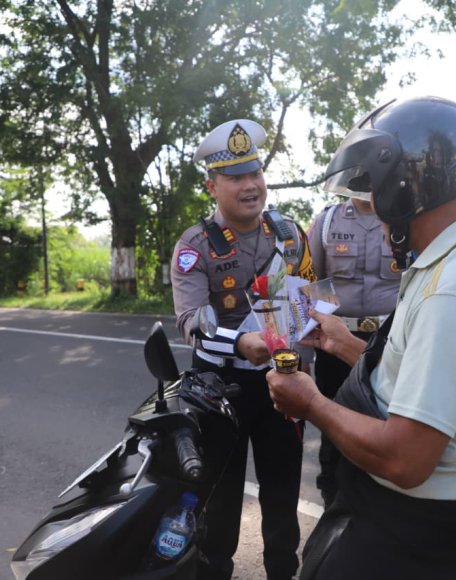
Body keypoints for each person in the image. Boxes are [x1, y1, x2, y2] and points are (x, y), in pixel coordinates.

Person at [266, 96, 456, 579]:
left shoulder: (455, 290)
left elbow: (406, 460)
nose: (374, 208)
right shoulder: (450, 259)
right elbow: (420, 372)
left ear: (405, 188)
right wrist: (341, 343)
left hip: (428, 516)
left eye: (376, 190)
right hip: (419, 497)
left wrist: (312, 404)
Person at [170, 118, 317, 580]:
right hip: (221, 389)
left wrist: (308, 331)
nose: (250, 185)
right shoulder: (195, 246)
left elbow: (307, 298)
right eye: (235, 177)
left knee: (282, 495)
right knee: (219, 502)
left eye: (255, 173)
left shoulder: (289, 235)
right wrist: (239, 342)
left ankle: (282, 572)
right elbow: (191, 322)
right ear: (212, 186)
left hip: (282, 382)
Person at [307, 196, 400, 506]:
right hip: (335, 339)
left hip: (389, 338)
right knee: (334, 422)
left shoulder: (401, 216)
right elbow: (312, 282)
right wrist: (303, 355)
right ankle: (333, 499)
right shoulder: (327, 222)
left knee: (389, 419)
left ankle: (383, 503)